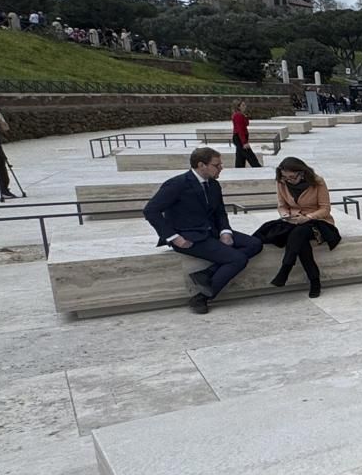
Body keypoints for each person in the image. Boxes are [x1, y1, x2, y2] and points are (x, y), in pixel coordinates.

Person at [143, 147, 263, 314]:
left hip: (210, 231)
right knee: (237, 259)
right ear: (201, 165)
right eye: (217, 164)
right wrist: (174, 237)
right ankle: (202, 297)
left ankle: (206, 273)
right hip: (188, 236)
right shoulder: (178, 184)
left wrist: (225, 232)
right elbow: (151, 211)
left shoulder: (214, 185)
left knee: (255, 244)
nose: (221, 167)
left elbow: (220, 212)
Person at [251, 156, 340, 298]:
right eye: (285, 177)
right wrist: (286, 215)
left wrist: (308, 217)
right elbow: (281, 205)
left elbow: (325, 209)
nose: (288, 180)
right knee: (299, 239)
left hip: (317, 221)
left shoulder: (317, 182)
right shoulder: (281, 182)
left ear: (302, 173)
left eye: (292, 177)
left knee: (299, 232)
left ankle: (285, 269)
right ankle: (314, 281)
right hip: (293, 221)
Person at [230, 100, 262, 169]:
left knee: (240, 156)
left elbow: (246, 124)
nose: (245, 106)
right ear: (238, 107)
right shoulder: (238, 115)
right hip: (239, 137)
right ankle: (258, 168)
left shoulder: (241, 115)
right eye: (243, 105)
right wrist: (244, 142)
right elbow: (240, 129)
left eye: (245, 105)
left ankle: (239, 170)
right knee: (249, 155)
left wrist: (245, 116)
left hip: (241, 137)